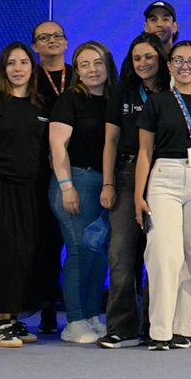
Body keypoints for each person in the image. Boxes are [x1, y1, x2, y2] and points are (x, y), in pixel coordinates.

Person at [135, 40, 191, 349]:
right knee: (162, 254)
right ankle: (160, 330)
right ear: (169, 65)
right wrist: (138, 195)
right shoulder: (156, 102)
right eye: (179, 60)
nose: (186, 66)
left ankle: (185, 328)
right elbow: (145, 151)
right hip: (164, 179)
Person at [0, 42, 50, 347]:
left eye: (23, 63)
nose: (18, 69)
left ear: (33, 67)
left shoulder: (42, 106)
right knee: (5, 254)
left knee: (27, 256)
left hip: (34, 191)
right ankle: (0, 322)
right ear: (3, 68)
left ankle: (14, 319)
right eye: (11, 63)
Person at [99, 33, 167, 348]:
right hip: (126, 175)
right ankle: (122, 327)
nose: (143, 63)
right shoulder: (122, 91)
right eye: (137, 58)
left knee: (159, 254)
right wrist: (108, 183)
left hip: (164, 175)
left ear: (161, 58)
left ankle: (156, 326)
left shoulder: (173, 89)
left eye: (149, 57)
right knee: (121, 254)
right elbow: (110, 141)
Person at [48, 41, 112, 344]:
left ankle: (91, 316)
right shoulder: (70, 99)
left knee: (98, 253)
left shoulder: (114, 99)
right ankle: (73, 321)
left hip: (104, 184)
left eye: (97, 62)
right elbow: (57, 145)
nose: (92, 69)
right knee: (79, 250)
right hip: (76, 181)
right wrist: (67, 187)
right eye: (84, 64)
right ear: (77, 70)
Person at [29, 20, 73, 334]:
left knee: (79, 241)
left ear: (66, 42)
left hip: (75, 167)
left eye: (57, 36)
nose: (52, 41)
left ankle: (79, 307)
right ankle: (46, 306)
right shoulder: (27, 77)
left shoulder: (80, 74)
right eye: (44, 38)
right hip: (37, 169)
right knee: (45, 243)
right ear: (35, 46)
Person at [120, 1, 177, 83]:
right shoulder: (131, 62)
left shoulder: (181, 59)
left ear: (175, 27)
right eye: (153, 20)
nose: (159, 24)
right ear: (145, 27)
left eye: (165, 19)